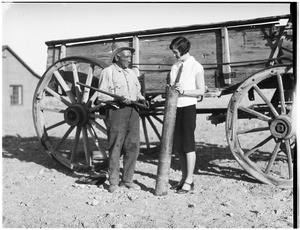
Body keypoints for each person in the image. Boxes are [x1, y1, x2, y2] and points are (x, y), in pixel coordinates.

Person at [98, 42, 147, 193]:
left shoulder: (132, 73)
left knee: (132, 147)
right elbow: (101, 95)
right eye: (126, 57)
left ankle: (128, 180)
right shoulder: (108, 72)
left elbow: (137, 92)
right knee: (115, 147)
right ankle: (113, 182)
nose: (129, 59)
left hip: (133, 112)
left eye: (130, 57)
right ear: (117, 57)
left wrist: (141, 99)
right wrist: (117, 99)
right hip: (117, 112)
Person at [168, 36, 205, 194]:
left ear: (183, 50)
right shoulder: (175, 66)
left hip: (188, 107)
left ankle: (189, 180)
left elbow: (201, 91)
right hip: (175, 108)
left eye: (176, 52)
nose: (174, 55)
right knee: (179, 146)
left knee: (188, 145)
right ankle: (183, 178)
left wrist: (184, 91)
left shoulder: (196, 67)